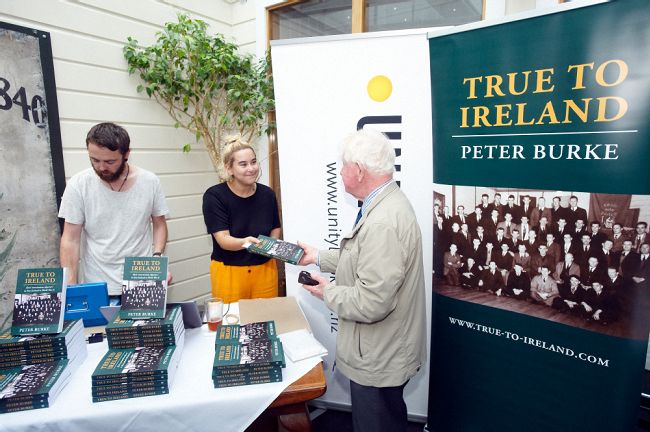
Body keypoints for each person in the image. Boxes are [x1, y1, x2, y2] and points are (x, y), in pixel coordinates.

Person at [297, 129, 426, 432]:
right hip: (383, 348)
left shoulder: (382, 222)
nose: (340, 173)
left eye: (343, 165)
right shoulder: (386, 204)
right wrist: (317, 257)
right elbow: (364, 259)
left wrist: (327, 292)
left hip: (378, 354)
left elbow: (372, 302)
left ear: (358, 170)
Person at [59, 122, 169, 300]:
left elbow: (159, 224)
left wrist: (157, 259)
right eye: (95, 160)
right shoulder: (78, 185)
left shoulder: (150, 181)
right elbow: (70, 240)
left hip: (141, 281)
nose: (102, 167)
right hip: (97, 285)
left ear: (126, 154)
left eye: (110, 161)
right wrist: (71, 287)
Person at [202, 136, 281, 303]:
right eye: (243, 164)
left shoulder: (267, 194)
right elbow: (223, 240)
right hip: (229, 272)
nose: (251, 168)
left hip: (265, 270)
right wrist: (247, 243)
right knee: (232, 319)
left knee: (266, 316)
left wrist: (270, 245)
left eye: (254, 162)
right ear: (229, 168)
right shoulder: (214, 196)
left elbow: (275, 227)